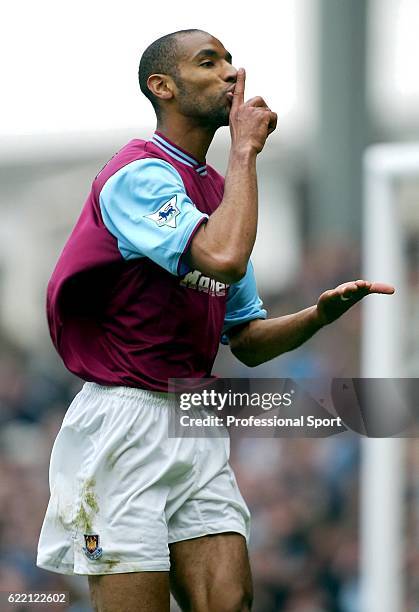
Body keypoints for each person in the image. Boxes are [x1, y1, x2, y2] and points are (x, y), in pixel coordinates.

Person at [36, 29, 394, 612]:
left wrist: (318, 315)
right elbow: (222, 256)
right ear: (163, 87)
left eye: (230, 60)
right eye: (209, 62)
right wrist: (245, 151)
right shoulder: (138, 175)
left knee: (230, 602)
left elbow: (247, 341)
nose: (231, 72)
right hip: (121, 424)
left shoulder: (220, 196)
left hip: (192, 415)